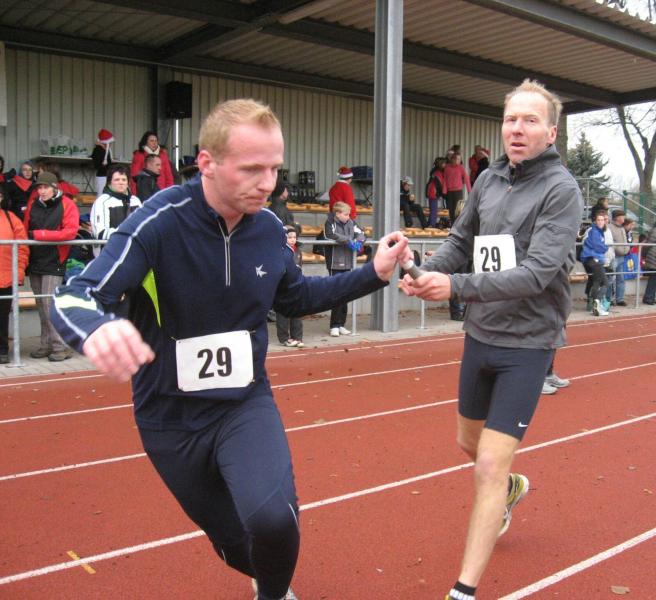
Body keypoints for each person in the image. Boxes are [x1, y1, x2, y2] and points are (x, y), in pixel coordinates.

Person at [51, 98, 411, 600]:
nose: (268, 183)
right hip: (169, 416)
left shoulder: (269, 230)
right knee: (236, 544)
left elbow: (296, 297)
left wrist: (373, 274)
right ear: (207, 163)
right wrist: (94, 329)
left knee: (275, 523)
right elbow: (78, 293)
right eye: (252, 169)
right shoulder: (159, 222)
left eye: (275, 168)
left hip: (244, 402)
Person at [400, 79, 582, 600]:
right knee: (468, 443)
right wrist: (422, 270)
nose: (517, 129)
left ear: (551, 132)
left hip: (528, 343)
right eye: (510, 119)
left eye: (530, 120)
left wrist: (454, 286)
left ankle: (463, 590)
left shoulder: (562, 191)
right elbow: (461, 240)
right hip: (481, 334)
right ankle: (510, 488)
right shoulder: (487, 179)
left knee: (488, 466)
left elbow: (537, 273)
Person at [24, 171, 78, 361]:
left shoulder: (67, 204)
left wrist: (39, 235)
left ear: (54, 187)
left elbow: (70, 233)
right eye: (39, 187)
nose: (42, 191)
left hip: (54, 260)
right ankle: (46, 344)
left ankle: (61, 346)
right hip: (36, 260)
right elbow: (25, 230)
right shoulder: (33, 205)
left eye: (45, 187)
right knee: (41, 306)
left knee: (49, 306)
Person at [323, 201, 365, 337]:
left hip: (348, 263)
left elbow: (361, 232)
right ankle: (334, 326)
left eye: (348, 214)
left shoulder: (351, 222)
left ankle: (341, 324)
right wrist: (348, 240)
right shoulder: (330, 222)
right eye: (346, 214)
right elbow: (329, 235)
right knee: (337, 294)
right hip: (335, 263)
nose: (348, 217)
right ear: (338, 214)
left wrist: (359, 241)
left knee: (346, 294)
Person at [0, 188, 30, 364]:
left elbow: (22, 248)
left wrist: (19, 271)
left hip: (5, 277)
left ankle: (2, 351)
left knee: (2, 317)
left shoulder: (12, 219)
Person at [90, 165, 143, 256]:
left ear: (128, 182)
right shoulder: (102, 202)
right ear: (109, 182)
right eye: (117, 180)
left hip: (133, 252)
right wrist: (127, 233)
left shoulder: (136, 201)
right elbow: (100, 233)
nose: (121, 182)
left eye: (124, 179)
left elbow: (143, 226)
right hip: (108, 253)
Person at [274, 227, 304, 348]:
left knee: (297, 311)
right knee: (283, 313)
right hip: (283, 286)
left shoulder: (298, 251)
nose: (292, 240)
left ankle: (297, 337)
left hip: (295, 285)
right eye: (289, 237)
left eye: (294, 237)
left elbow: (299, 268)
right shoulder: (279, 251)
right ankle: (284, 338)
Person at [582, 211, 610, 316]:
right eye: (598, 220)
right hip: (593, 258)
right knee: (605, 283)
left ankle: (595, 306)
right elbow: (598, 246)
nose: (600, 222)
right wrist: (606, 247)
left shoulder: (597, 231)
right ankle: (597, 301)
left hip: (593, 258)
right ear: (595, 221)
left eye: (602, 220)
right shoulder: (595, 231)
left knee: (597, 282)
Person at [607, 209, 630, 306]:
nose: (624, 218)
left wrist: (626, 249)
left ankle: (620, 299)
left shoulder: (622, 228)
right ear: (617, 217)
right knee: (610, 279)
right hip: (614, 257)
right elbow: (611, 242)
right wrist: (618, 249)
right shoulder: (609, 227)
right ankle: (609, 299)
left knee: (621, 278)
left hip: (622, 257)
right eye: (622, 216)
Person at [443, 150, 471, 223]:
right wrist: (444, 191)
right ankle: (453, 224)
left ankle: (457, 225)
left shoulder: (461, 168)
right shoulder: (447, 168)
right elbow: (445, 180)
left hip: (458, 191)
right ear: (452, 159)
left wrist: (470, 191)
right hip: (449, 192)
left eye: (459, 159)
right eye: (457, 159)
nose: (459, 161)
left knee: (458, 210)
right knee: (451, 209)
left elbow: (466, 179)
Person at [90, 128, 116, 194]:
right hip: (102, 175)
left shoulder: (107, 150)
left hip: (107, 175)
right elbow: (96, 165)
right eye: (110, 143)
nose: (111, 144)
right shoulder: (98, 150)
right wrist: (104, 165)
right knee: (101, 193)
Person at [426, 157, 447, 228]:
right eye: (444, 163)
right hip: (433, 193)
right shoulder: (438, 173)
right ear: (440, 164)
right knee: (434, 211)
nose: (446, 165)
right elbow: (440, 185)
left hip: (432, 192)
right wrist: (444, 194)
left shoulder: (436, 172)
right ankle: (432, 225)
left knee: (433, 210)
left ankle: (429, 224)